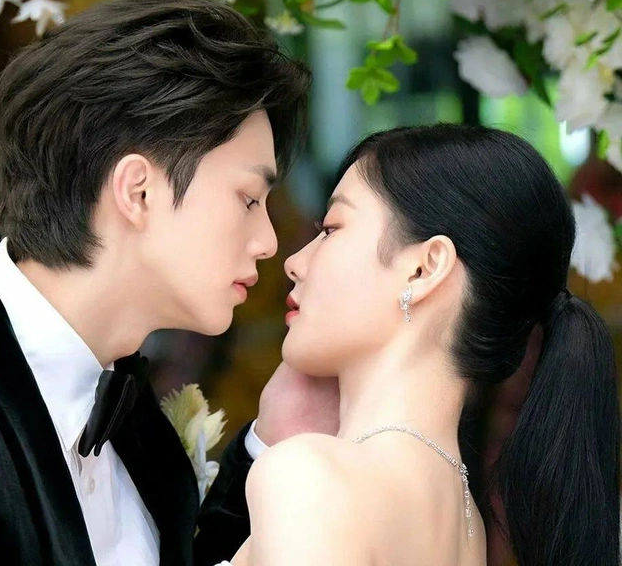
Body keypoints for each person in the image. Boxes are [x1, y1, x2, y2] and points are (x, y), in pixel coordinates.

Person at [0, 0, 341, 566]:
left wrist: (270, 439)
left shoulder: (130, 415)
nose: (269, 243)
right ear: (137, 191)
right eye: (249, 198)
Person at [223, 124, 621, 566]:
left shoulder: (309, 478)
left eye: (332, 229)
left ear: (424, 268)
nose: (295, 262)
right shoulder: (465, 522)